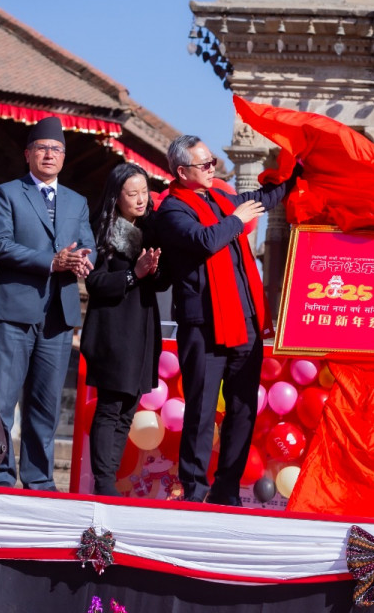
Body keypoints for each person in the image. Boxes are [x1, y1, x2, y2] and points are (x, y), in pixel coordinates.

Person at [154, 135, 300, 505]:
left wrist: (295, 169)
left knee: (242, 408)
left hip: (244, 321)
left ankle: (227, 487)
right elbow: (204, 240)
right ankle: (194, 489)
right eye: (204, 165)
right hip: (204, 326)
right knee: (202, 412)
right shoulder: (172, 209)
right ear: (182, 171)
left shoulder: (219, 198)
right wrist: (236, 220)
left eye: (213, 162)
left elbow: (262, 200)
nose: (212, 169)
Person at [0, 117, 96, 490]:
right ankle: (0, 475)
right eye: (43, 149)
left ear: (64, 157)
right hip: (14, 312)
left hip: (59, 315)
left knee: (45, 405)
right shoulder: (7, 193)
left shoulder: (77, 201)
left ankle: (39, 480)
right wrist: (51, 261)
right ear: (28, 154)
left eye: (57, 150)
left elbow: (87, 242)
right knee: (2, 402)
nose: (49, 155)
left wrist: (83, 259)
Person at [81, 163, 166, 496]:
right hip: (114, 329)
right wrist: (134, 275)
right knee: (110, 405)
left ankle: (109, 477)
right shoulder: (102, 231)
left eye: (144, 192)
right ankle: (103, 481)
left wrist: (155, 270)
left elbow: (157, 280)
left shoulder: (149, 230)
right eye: (133, 194)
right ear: (116, 197)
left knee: (129, 406)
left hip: (142, 326)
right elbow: (96, 282)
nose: (141, 199)